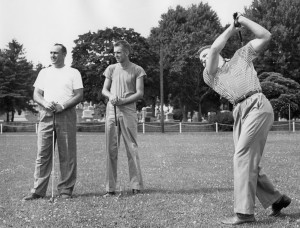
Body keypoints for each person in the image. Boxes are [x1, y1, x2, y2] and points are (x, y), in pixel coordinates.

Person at [198, 13, 291, 225]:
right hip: (239, 112)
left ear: (224, 54)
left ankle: (244, 213)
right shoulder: (210, 75)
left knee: (242, 157)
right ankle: (276, 200)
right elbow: (213, 49)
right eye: (201, 60)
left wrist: (243, 20)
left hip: (257, 104)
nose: (204, 59)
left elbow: (266, 36)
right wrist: (232, 27)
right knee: (248, 161)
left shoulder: (242, 55)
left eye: (204, 56)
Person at [23, 43, 83, 200]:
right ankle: (38, 190)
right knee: (42, 153)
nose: (52, 55)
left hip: (66, 113)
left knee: (68, 153)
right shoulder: (44, 72)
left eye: (56, 53)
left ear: (64, 54)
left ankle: (65, 190)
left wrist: (62, 105)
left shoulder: (73, 72)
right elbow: (36, 94)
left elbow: (78, 95)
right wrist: (45, 103)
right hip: (46, 114)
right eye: (50, 52)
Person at [102, 40, 145, 197]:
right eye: (114, 52)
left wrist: (123, 101)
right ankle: (110, 188)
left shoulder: (137, 70)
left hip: (128, 112)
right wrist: (111, 96)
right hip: (112, 112)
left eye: (119, 52)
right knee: (111, 150)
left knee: (131, 148)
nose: (116, 55)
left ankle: (136, 185)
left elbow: (139, 93)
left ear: (127, 52)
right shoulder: (111, 69)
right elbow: (104, 90)